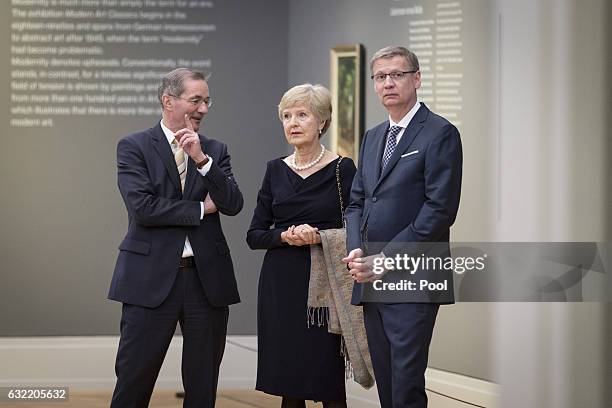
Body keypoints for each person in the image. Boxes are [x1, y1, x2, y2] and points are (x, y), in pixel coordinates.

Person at [108, 67, 243, 407]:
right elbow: (143, 208)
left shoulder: (215, 150)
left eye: (207, 101)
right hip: (149, 280)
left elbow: (232, 204)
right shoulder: (134, 146)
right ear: (168, 101)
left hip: (206, 281)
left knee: (202, 387)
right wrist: (200, 210)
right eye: (196, 100)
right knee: (133, 381)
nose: (204, 108)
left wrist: (201, 160)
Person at [343, 46, 463, 408]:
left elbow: (439, 210)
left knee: (406, 384)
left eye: (396, 75)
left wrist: (386, 259)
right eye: (380, 77)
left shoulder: (441, 133)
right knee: (387, 382)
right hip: (370, 275)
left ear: (417, 79)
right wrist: (356, 250)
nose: (388, 83)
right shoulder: (373, 136)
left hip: (414, 275)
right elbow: (357, 202)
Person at [246, 84, 356, 408]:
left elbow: (359, 228)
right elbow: (254, 235)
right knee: (289, 384)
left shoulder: (342, 169)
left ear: (321, 122)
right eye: (286, 116)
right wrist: (284, 235)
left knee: (327, 383)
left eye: (302, 115)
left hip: (324, 289)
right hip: (281, 287)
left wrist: (320, 236)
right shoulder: (274, 170)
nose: (292, 123)